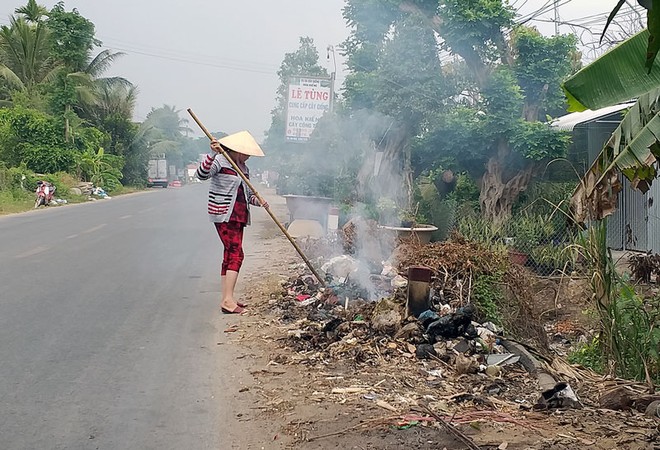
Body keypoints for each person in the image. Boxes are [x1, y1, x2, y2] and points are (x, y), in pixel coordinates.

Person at [195, 131, 269, 314]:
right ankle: (228, 301)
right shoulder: (220, 161)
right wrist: (212, 154)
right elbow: (201, 174)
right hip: (223, 214)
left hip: (239, 215)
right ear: (238, 150)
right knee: (237, 254)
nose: (249, 156)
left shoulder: (243, 168)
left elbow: (248, 195)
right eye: (247, 153)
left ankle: (227, 298)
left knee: (229, 254)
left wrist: (259, 202)